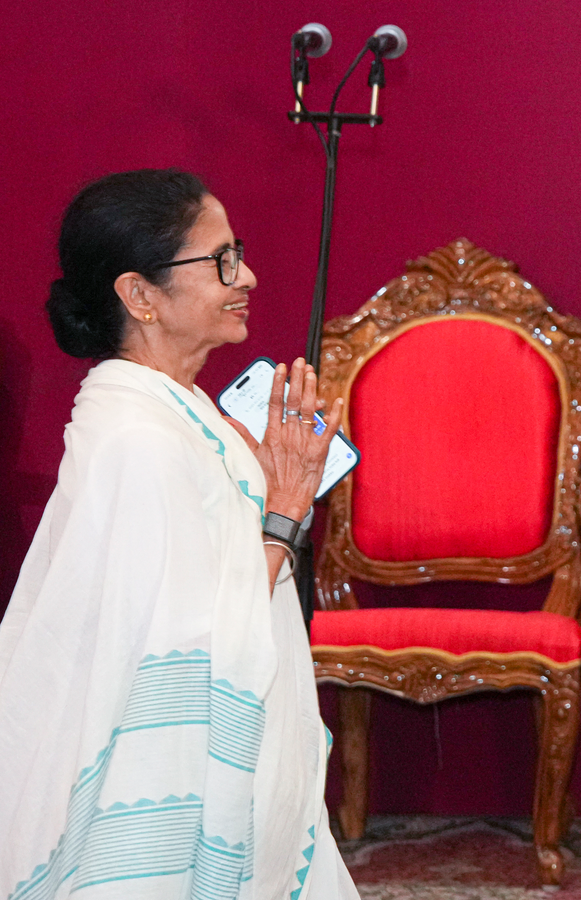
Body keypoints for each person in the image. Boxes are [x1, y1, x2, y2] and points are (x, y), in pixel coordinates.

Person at [0, 169, 359, 898]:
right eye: (221, 260)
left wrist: (261, 486)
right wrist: (284, 510)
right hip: (158, 791)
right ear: (139, 295)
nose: (247, 275)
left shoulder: (179, 409)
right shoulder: (138, 438)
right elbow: (193, 639)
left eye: (240, 252)